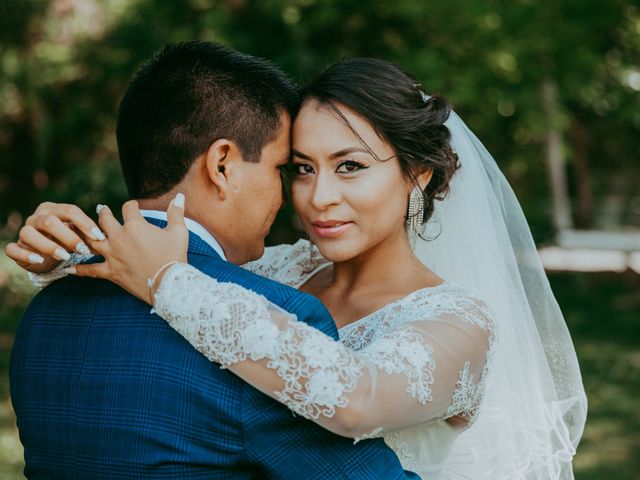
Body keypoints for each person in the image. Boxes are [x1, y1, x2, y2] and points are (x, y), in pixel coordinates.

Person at [8, 57, 587, 479]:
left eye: (351, 165)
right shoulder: (274, 270)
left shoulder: (459, 322)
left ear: (418, 174)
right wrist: (66, 257)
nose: (317, 197)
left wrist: (168, 283)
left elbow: (356, 396)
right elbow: (155, 288)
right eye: (301, 168)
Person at [6, 42, 420, 479]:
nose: (290, 197)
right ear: (222, 165)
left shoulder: (49, 304)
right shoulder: (272, 320)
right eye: (283, 168)